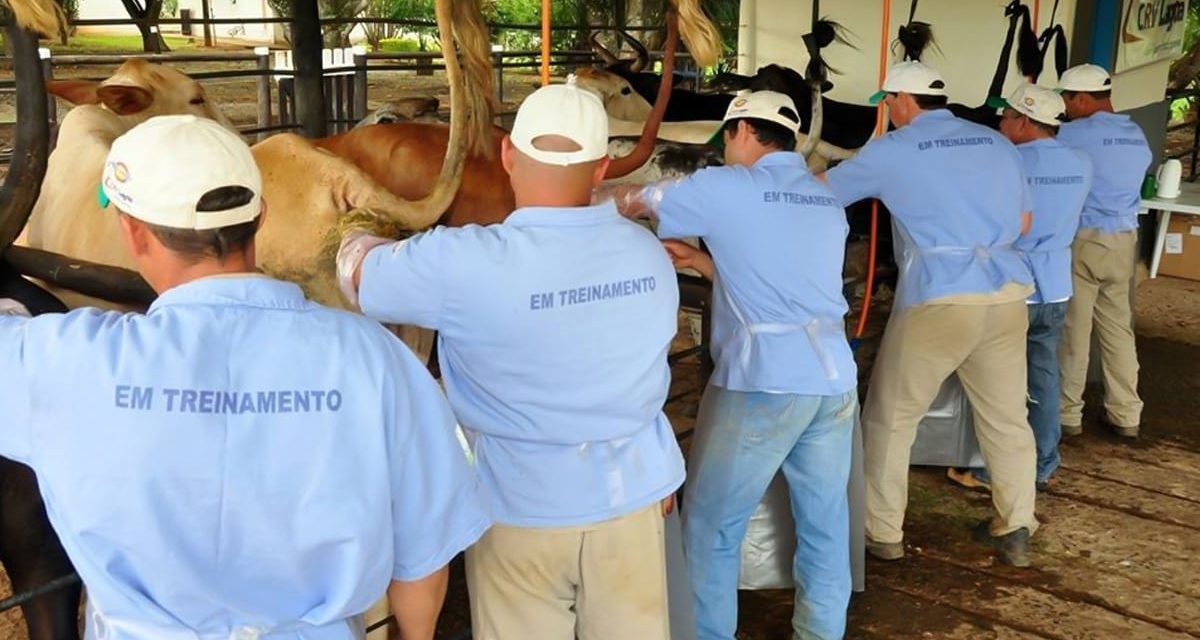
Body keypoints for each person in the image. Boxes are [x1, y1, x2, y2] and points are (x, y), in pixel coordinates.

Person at [0, 115, 490, 640]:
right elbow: (423, 555)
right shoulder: (376, 360)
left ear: (132, 231)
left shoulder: (61, 362)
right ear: (259, 216)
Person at [336, 76, 685, 640]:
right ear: (601, 168)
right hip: (633, 497)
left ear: (506, 155)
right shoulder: (648, 254)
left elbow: (357, 276)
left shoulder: (464, 262)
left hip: (519, 506)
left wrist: (361, 228)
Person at [607, 90, 858, 640]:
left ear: (744, 132)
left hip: (767, 383)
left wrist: (600, 199)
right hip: (833, 381)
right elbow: (786, 289)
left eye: (727, 136)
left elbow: (639, 200)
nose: (725, 147)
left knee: (711, 528)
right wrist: (702, 261)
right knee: (824, 522)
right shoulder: (822, 197)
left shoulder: (729, 186)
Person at [820, 61, 1039, 567]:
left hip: (941, 299)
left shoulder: (894, 149)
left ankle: (883, 531)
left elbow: (819, 193)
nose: (889, 111)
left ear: (901, 100)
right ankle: (1016, 527)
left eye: (888, 102)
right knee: (1006, 419)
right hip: (1007, 294)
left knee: (891, 418)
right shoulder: (996, 143)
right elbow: (1024, 221)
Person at [948, 84, 1093, 492]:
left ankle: (996, 470)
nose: (1000, 121)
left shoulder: (1006, 161)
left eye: (1008, 116)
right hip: (1057, 286)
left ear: (1026, 122)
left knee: (1003, 386)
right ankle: (1045, 462)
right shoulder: (1081, 161)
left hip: (1015, 285)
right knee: (1045, 375)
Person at [1055, 64, 1152, 440]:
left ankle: (1067, 415)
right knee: (1117, 329)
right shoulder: (1134, 133)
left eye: (1066, 98)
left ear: (1080, 98)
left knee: (1075, 329)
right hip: (1124, 239)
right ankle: (1126, 414)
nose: (1064, 106)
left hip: (1085, 237)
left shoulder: (1071, 134)